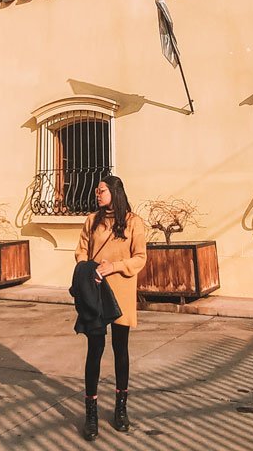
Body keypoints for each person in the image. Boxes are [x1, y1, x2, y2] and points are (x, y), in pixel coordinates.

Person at [73, 173, 147, 440]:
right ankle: (90, 414)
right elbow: (81, 250)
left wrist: (113, 266)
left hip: (122, 293)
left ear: (115, 192)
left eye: (101, 190)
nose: (97, 193)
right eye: (96, 190)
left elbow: (140, 258)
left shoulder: (133, 223)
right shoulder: (91, 221)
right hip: (95, 293)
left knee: (120, 351)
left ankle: (121, 409)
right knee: (94, 351)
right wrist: (87, 267)